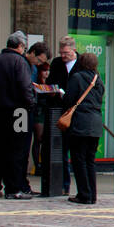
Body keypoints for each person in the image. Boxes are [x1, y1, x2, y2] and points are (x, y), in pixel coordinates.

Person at [0, 30, 35, 200]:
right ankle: (13, 188)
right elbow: (25, 87)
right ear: (20, 46)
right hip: (19, 111)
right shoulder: (19, 62)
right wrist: (31, 103)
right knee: (17, 150)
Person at [64, 52, 104, 204]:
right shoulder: (98, 79)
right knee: (90, 160)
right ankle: (92, 194)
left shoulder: (77, 78)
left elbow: (69, 99)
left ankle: (84, 194)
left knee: (79, 159)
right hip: (95, 122)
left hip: (80, 122)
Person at [50, 37, 78, 194]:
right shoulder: (56, 63)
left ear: (73, 50)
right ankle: (63, 184)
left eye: (66, 53)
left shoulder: (81, 64)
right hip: (59, 111)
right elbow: (50, 82)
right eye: (61, 53)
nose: (63, 56)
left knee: (75, 150)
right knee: (60, 149)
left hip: (75, 112)